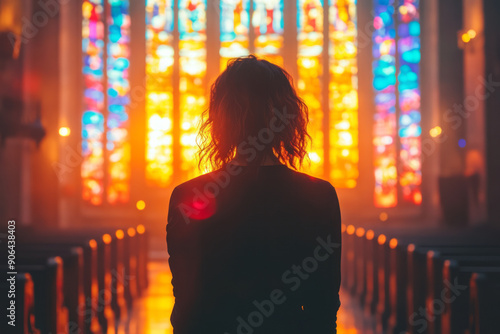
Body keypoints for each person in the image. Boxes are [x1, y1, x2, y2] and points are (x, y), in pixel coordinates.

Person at [167, 55, 342, 334]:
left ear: (220, 119)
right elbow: (322, 305)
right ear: (288, 118)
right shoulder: (319, 196)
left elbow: (187, 306)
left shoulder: (189, 195)